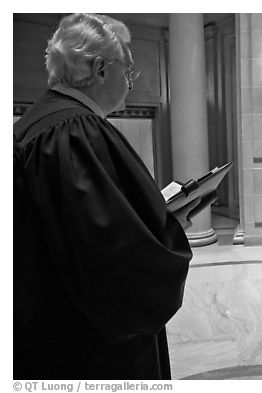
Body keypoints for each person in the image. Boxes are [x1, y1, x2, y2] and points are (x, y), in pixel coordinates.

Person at [13, 14, 192, 380]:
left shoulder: (39, 123)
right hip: (90, 345)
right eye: (127, 69)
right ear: (99, 69)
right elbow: (118, 257)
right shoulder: (76, 131)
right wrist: (167, 228)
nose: (130, 81)